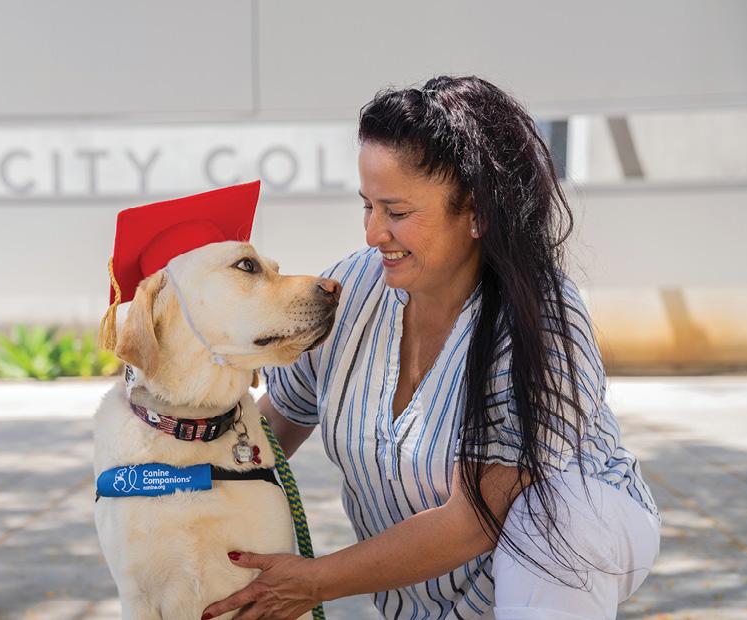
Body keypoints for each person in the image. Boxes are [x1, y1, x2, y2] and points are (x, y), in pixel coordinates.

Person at [201, 75, 661, 620]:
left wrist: (314, 581)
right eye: (366, 206)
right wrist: (176, 478)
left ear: (477, 212)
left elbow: (478, 516)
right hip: (425, 600)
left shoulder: (541, 314)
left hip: (581, 542)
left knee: (549, 514)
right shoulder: (351, 291)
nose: (373, 233)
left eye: (396, 213)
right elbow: (272, 430)